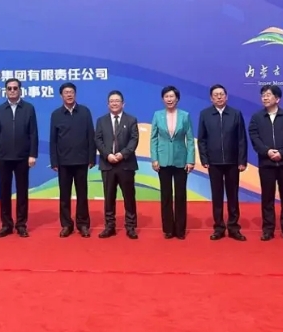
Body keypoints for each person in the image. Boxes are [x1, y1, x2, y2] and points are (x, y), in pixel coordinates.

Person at [248, 85, 283, 242]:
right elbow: (254, 137)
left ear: (277, 99)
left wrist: (282, 153)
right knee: (267, 198)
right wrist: (267, 152)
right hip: (266, 163)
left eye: (268, 95)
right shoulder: (257, 117)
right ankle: (268, 229)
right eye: (263, 95)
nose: (265, 97)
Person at [197, 84, 247, 241]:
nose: (219, 97)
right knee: (217, 196)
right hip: (214, 163)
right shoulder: (205, 114)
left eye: (221, 94)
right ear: (211, 98)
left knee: (233, 196)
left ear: (226, 96)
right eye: (215, 95)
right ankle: (219, 227)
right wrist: (204, 159)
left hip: (233, 162)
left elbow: (241, 139)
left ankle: (233, 227)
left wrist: (242, 160)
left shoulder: (235, 114)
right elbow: (202, 139)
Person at [0, 78, 39, 238]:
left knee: (22, 192)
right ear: (5, 91)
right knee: (4, 192)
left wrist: (32, 154)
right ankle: (6, 225)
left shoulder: (28, 108)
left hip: (22, 157)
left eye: (15, 88)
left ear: (20, 90)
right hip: (3, 157)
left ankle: (21, 224)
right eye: (9, 88)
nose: (12, 91)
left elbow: (33, 133)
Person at [49, 82, 96, 238]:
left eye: (71, 92)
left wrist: (91, 157)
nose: (69, 95)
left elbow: (91, 135)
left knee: (82, 194)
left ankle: (83, 224)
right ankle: (66, 225)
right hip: (63, 162)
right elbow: (53, 140)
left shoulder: (84, 112)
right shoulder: (56, 114)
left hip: (82, 160)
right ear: (61, 95)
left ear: (75, 94)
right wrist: (54, 161)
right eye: (66, 92)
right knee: (64, 195)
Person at [150, 85, 194, 240]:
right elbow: (153, 138)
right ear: (163, 99)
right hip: (162, 161)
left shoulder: (185, 115)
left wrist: (190, 160)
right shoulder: (157, 115)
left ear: (177, 99)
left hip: (181, 160)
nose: (169, 99)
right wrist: (154, 158)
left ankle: (180, 229)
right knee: (166, 195)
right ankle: (168, 229)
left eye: (172, 96)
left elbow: (190, 139)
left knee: (180, 195)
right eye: (166, 96)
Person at [95, 90, 140, 239]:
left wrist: (122, 154)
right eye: (111, 101)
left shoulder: (131, 120)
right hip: (107, 164)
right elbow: (98, 140)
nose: (114, 103)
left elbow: (134, 140)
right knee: (109, 197)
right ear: (108, 104)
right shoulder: (101, 121)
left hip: (125, 164)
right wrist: (107, 155)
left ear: (123, 104)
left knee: (129, 196)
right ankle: (110, 226)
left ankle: (130, 226)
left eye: (117, 101)